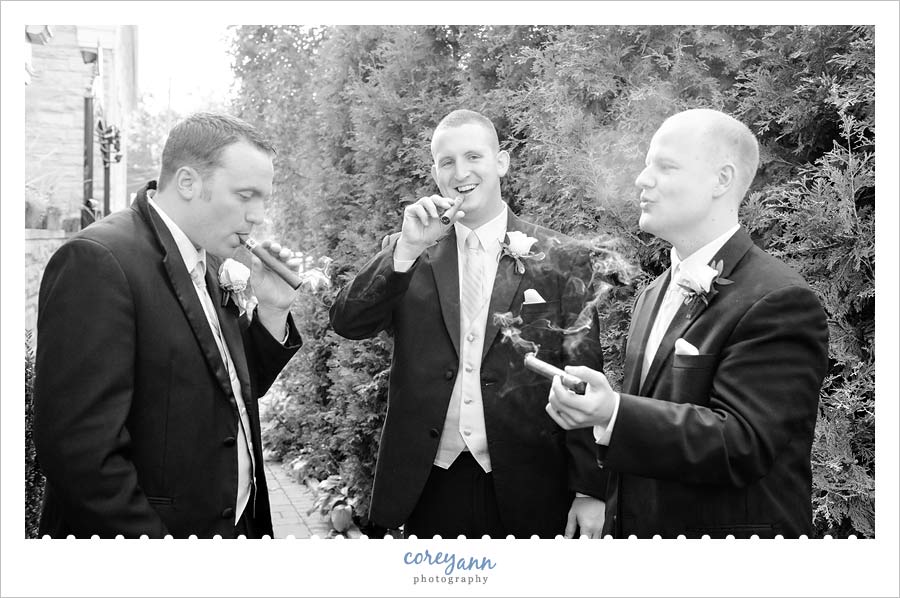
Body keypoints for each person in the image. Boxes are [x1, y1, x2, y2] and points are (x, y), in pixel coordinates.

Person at [547, 108, 830, 538]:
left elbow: (743, 443)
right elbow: (659, 423)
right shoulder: (650, 294)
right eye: (646, 165)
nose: (642, 179)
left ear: (722, 180)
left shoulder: (780, 299)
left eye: (666, 166)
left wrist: (615, 412)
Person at [329, 109, 607, 539]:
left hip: (530, 482)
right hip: (430, 479)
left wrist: (589, 488)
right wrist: (404, 249)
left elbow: (581, 377)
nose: (461, 173)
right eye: (447, 162)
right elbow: (348, 322)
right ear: (435, 172)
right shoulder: (408, 250)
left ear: (501, 162)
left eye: (474, 157)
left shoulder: (561, 257)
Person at [34, 112, 304, 538]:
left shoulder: (208, 257)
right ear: (188, 182)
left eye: (263, 200)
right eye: (246, 195)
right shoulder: (98, 260)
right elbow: (80, 454)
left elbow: (229, 388)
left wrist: (271, 310)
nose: (257, 216)